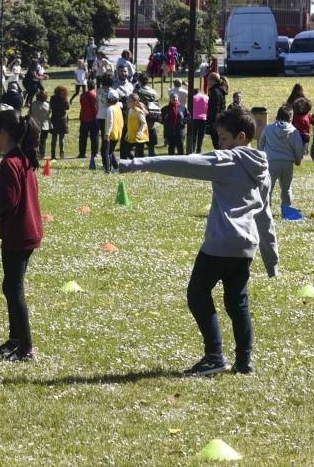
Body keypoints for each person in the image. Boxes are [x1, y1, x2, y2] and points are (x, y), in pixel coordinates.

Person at [118, 106, 278, 376]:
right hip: (245, 248)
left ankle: (214, 356)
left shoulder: (227, 160)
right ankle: (244, 362)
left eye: (224, 138)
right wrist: (271, 260)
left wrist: (135, 163)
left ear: (241, 137)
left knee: (197, 293)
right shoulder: (262, 167)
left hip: (220, 243)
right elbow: (265, 216)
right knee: (237, 302)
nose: (220, 144)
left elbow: (183, 163)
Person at [0, 109, 43, 362]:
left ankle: (26, 347)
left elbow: (8, 202)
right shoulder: (22, 158)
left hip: (18, 233)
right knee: (10, 286)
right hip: (27, 231)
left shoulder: (9, 163)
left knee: (14, 288)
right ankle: (15, 339)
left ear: (3, 134)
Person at [257, 104, 303, 210]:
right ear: (291, 118)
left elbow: (261, 143)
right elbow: (299, 147)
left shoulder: (268, 129)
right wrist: (298, 159)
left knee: (268, 187)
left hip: (271, 162)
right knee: (286, 188)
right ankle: (287, 209)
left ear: (277, 116)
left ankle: (266, 209)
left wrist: (262, 156)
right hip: (287, 163)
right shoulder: (294, 131)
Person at [77, 80, 99, 161]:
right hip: (93, 118)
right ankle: (94, 152)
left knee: (83, 137)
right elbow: (95, 107)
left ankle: (82, 153)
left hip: (84, 118)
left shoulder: (82, 95)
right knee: (94, 137)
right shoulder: (94, 95)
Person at [102, 91, 124, 174]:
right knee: (111, 151)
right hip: (118, 133)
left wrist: (107, 133)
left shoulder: (110, 109)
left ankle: (108, 170)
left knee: (107, 152)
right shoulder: (118, 108)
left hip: (111, 133)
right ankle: (116, 166)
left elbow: (110, 122)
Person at [206, 73, 229, 149]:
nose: (207, 82)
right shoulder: (220, 89)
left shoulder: (215, 91)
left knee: (217, 142)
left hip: (215, 120)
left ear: (212, 80)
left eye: (208, 80)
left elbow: (215, 108)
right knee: (220, 142)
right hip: (221, 119)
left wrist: (211, 122)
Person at [124, 93, 149, 160]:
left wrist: (139, 133)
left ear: (135, 102)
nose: (127, 102)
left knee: (140, 155)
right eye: (127, 100)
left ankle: (141, 165)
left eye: (129, 101)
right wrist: (127, 134)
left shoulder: (139, 111)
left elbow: (144, 124)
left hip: (139, 137)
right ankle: (134, 161)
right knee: (125, 151)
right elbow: (130, 124)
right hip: (132, 136)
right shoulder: (130, 110)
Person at [48, 85, 70, 160]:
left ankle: (53, 154)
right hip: (62, 120)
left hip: (54, 119)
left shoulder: (52, 98)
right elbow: (68, 107)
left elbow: (50, 106)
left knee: (54, 138)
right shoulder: (64, 98)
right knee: (62, 138)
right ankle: (62, 154)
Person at [28, 89, 51, 159]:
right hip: (45, 125)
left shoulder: (33, 104)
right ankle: (42, 154)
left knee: (34, 141)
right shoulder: (47, 105)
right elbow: (49, 114)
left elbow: (30, 114)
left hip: (34, 125)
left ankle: (34, 154)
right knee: (43, 141)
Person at [190, 88, 209, 153]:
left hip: (194, 118)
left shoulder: (193, 98)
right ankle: (199, 149)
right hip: (203, 118)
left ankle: (192, 149)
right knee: (201, 135)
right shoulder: (206, 97)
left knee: (194, 135)